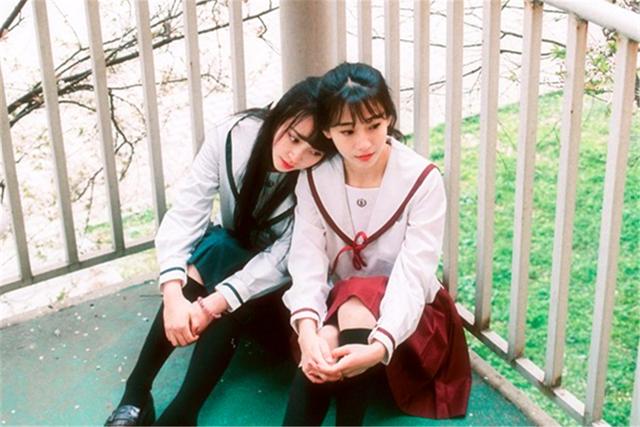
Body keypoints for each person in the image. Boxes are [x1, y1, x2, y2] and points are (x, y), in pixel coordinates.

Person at [104, 77, 336, 426]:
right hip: (231, 263)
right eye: (294, 138)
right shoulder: (232, 135)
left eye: (313, 151)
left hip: (283, 299)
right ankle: (137, 392)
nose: (297, 156)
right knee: (219, 249)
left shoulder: (320, 176)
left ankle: (183, 412)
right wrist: (173, 296)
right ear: (279, 113)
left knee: (235, 278)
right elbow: (188, 211)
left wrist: (212, 304)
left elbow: (284, 259)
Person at [282, 62, 472, 426]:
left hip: (408, 323)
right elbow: (306, 260)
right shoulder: (315, 178)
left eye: (374, 125)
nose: (364, 142)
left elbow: (414, 276)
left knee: (355, 304)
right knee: (328, 335)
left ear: (389, 118)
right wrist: (308, 332)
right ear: (327, 131)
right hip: (338, 312)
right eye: (347, 130)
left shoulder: (422, 179)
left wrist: (380, 344)